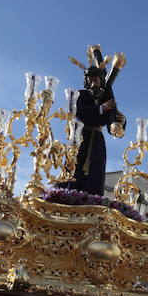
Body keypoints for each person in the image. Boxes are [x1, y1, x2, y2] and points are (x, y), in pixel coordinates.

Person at [56, 62, 126, 196]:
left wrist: (120, 122)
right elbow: (77, 112)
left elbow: (110, 121)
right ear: (87, 81)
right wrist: (101, 108)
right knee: (74, 164)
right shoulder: (80, 95)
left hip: (97, 139)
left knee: (96, 168)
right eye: (91, 79)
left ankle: (93, 199)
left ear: (100, 80)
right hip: (80, 136)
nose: (94, 82)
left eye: (96, 79)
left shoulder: (105, 98)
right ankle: (67, 195)